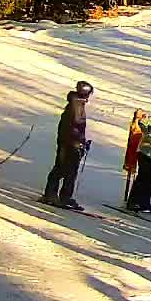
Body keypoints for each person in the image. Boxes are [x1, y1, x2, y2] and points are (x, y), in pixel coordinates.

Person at [42, 80, 95, 210]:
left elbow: (75, 128)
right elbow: (74, 128)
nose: (89, 98)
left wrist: (82, 141)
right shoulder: (76, 105)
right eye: (89, 94)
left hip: (69, 143)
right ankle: (58, 196)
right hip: (70, 144)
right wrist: (78, 142)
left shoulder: (76, 103)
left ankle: (57, 195)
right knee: (65, 170)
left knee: (65, 169)